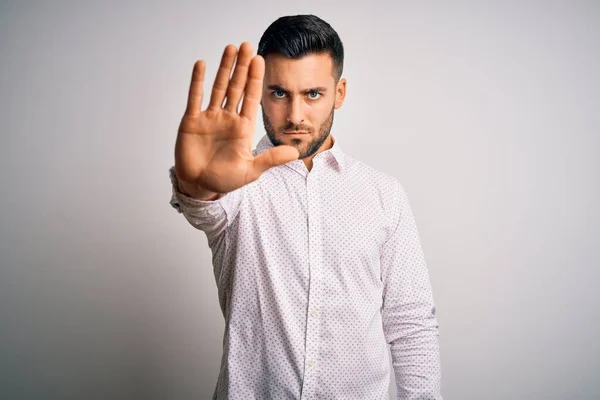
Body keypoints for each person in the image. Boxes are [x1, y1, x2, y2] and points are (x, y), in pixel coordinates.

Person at [169, 14, 442, 400]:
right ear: (260, 92)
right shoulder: (237, 188)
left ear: (340, 93)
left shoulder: (384, 194)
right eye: (279, 93)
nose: (295, 115)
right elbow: (204, 208)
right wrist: (196, 185)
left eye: (313, 94)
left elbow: (411, 321)